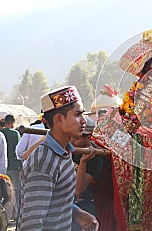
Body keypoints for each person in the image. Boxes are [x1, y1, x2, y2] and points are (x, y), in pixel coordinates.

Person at [17, 86, 99, 231]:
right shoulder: (43, 161)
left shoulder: (64, 152)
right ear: (59, 119)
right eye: (77, 115)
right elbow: (31, 224)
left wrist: (76, 213)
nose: (83, 121)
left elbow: (53, 199)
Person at [71, 118, 104, 231]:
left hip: (86, 207)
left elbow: (78, 189)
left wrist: (83, 162)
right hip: (69, 206)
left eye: (76, 138)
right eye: (70, 137)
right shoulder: (70, 150)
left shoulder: (96, 159)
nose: (72, 142)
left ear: (88, 137)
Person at [0, 114, 22, 221]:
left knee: (4, 192)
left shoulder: (0, 133)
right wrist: (20, 167)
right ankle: (16, 215)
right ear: (13, 122)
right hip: (13, 166)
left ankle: (4, 214)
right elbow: (18, 151)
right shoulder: (15, 133)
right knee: (15, 191)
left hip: (2, 167)